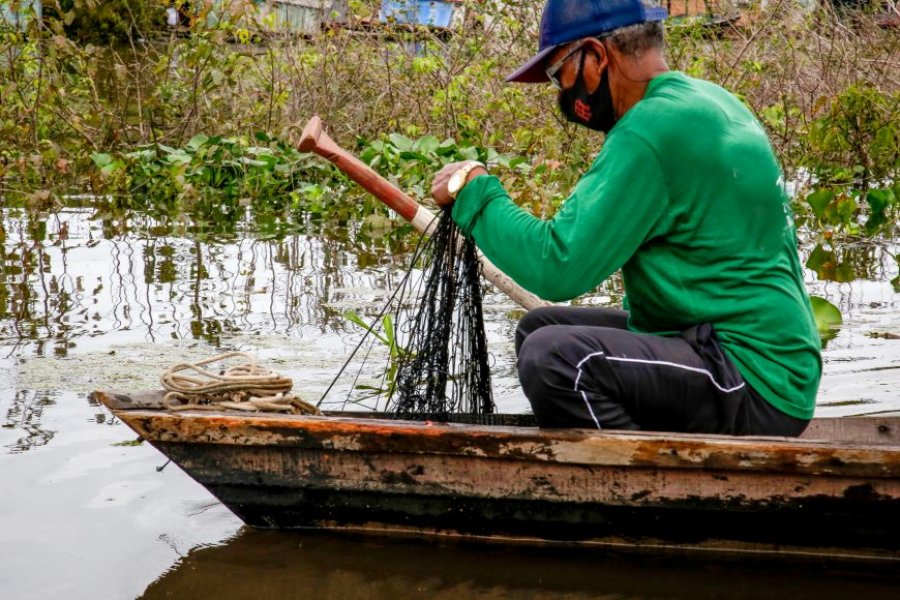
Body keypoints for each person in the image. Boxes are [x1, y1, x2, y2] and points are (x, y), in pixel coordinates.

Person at [430, 0, 821, 436]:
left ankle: (628, 489)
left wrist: (476, 191)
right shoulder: (707, 100)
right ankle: (651, 445)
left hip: (752, 378)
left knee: (556, 358)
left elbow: (557, 266)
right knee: (541, 326)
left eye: (561, 75)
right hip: (759, 358)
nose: (563, 93)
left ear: (596, 56)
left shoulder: (651, 130)